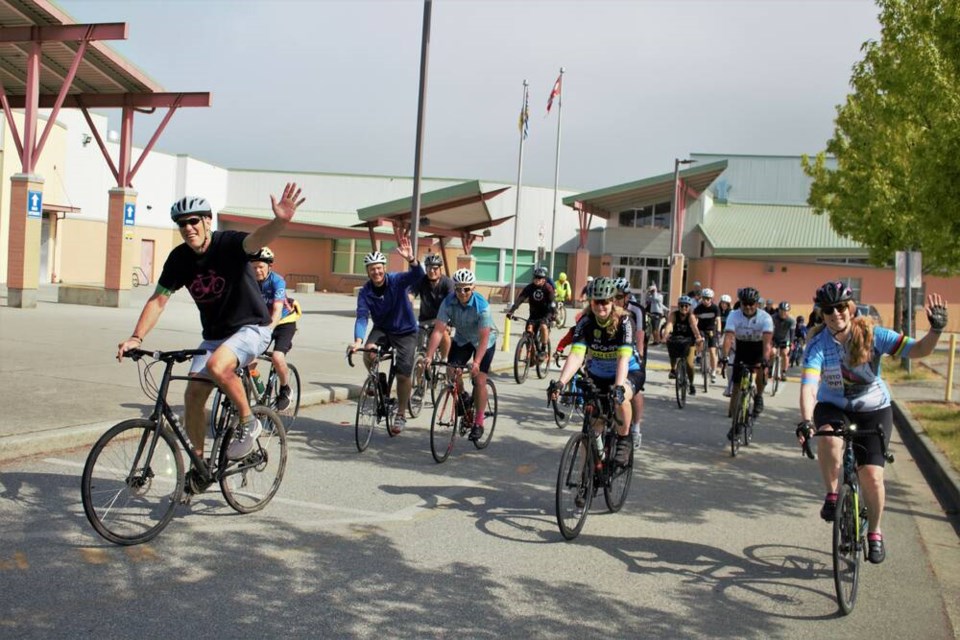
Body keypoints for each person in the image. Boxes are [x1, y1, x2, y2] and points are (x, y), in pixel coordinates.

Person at [117, 183, 306, 475]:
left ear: (207, 221)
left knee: (219, 366)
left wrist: (280, 221)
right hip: (215, 335)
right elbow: (158, 300)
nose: (188, 228)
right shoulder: (179, 259)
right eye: (182, 224)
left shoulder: (228, 244)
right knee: (192, 395)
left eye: (194, 221)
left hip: (252, 328)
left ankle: (248, 422)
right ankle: (199, 464)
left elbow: (257, 239)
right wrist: (136, 336)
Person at [795, 282, 948, 565]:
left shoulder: (872, 334)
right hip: (834, 407)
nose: (835, 314)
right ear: (822, 313)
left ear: (850, 308)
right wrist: (806, 421)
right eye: (828, 309)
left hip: (873, 409)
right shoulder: (817, 344)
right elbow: (808, 386)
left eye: (840, 307)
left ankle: (875, 532)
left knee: (872, 477)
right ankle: (831, 495)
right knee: (827, 436)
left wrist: (935, 330)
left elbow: (917, 350)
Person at [548, 277, 642, 466]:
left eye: (605, 301)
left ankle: (624, 440)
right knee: (591, 431)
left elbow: (623, 358)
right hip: (598, 374)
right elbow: (576, 355)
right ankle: (586, 479)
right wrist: (561, 382)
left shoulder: (625, 321)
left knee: (620, 396)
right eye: (596, 301)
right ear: (591, 302)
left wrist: (618, 387)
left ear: (613, 301)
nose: (601, 306)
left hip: (628, 371)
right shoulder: (586, 322)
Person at [351, 237, 424, 434]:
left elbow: (418, 275)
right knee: (369, 352)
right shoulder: (365, 291)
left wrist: (412, 260)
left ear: (384, 267)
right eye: (372, 269)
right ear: (367, 271)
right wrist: (358, 340)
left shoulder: (396, 281)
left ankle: (400, 413)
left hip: (406, 331)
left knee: (402, 374)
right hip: (382, 328)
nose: (376, 271)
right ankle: (379, 381)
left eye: (379, 267)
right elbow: (362, 317)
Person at [424, 268, 497, 442]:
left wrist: (477, 362)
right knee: (451, 371)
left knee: (479, 380)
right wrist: (428, 355)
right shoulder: (448, 302)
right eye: (458, 289)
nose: (462, 293)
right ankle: (464, 396)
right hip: (463, 339)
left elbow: (484, 337)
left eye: (466, 289)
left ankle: (479, 422)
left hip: (483, 342)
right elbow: (438, 331)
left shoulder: (482, 306)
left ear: (473, 288)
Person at [249, 246, 302, 411]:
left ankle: (285, 388)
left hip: (284, 322)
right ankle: (261, 393)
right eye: (254, 267)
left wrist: (268, 331)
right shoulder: (249, 282)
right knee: (248, 361)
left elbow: (278, 310)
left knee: (278, 357)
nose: (257, 270)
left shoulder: (277, 281)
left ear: (269, 267)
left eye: (261, 267)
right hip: (264, 322)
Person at [719, 287, 773, 430]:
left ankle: (759, 396)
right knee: (737, 386)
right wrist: (724, 357)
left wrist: (765, 360)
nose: (748, 307)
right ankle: (735, 424)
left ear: (757, 304)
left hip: (758, 347)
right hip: (742, 348)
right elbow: (729, 337)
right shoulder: (734, 315)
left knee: (761, 371)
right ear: (740, 303)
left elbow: (767, 343)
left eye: (752, 304)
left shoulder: (765, 317)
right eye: (745, 304)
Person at [506, 265, 556, 359]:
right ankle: (531, 355)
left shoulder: (548, 288)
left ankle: (543, 350)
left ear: (544, 279)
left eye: (539, 278)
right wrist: (511, 311)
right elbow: (520, 299)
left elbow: (552, 303)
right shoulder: (529, 288)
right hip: (534, 314)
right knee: (529, 331)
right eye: (535, 277)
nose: (537, 279)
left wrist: (554, 316)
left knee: (543, 326)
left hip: (546, 313)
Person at [413, 253, 454, 360]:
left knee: (444, 335)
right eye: (429, 268)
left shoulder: (447, 283)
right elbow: (411, 295)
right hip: (424, 320)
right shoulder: (422, 281)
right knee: (421, 354)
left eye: (435, 268)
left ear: (440, 269)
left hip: (442, 320)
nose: (432, 271)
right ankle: (417, 375)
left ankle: (443, 360)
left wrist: (449, 323)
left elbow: (452, 304)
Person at [663, 295, 703, 395]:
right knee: (671, 350)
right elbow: (669, 325)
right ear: (678, 306)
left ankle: (692, 384)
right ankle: (673, 369)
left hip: (689, 341)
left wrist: (698, 337)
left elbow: (694, 327)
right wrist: (665, 335)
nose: (684, 308)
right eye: (681, 306)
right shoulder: (674, 314)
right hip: (676, 339)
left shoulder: (691, 316)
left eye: (686, 306)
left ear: (689, 307)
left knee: (690, 364)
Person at [694, 287, 722, 383]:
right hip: (701, 329)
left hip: (711, 330)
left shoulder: (715, 308)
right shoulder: (698, 308)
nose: (706, 300)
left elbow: (718, 320)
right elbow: (695, 320)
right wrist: (695, 330)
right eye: (704, 298)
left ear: (711, 299)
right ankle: (698, 355)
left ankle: (713, 371)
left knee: (712, 351)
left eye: (708, 299)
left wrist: (718, 332)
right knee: (699, 341)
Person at [772, 301, 796, 381]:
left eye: (785, 311)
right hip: (775, 338)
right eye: (781, 311)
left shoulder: (791, 320)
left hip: (786, 340)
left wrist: (791, 344)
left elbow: (792, 333)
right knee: (772, 352)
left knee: (785, 353)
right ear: (778, 310)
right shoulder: (773, 318)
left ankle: (784, 372)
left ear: (788, 311)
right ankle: (770, 368)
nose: (783, 313)